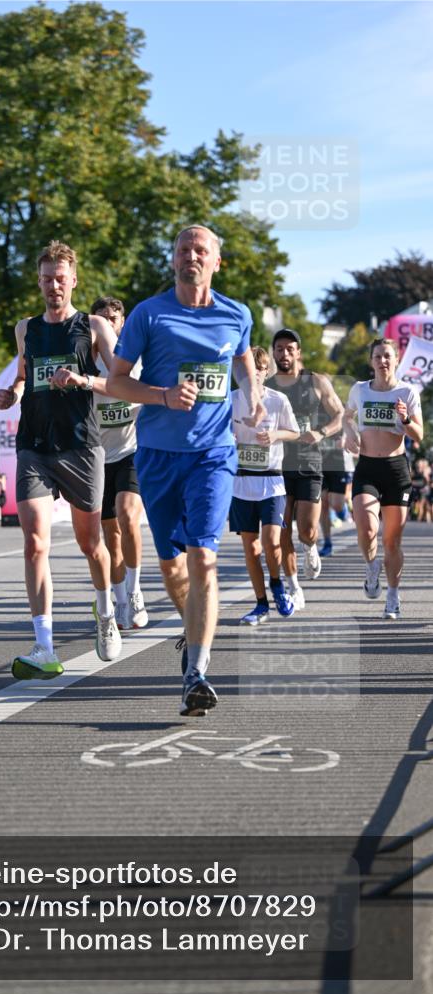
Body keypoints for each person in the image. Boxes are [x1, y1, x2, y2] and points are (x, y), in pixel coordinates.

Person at [108, 225, 264, 717]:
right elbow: (115, 382)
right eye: (183, 250)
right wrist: (163, 397)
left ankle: (197, 671)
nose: (190, 256)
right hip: (156, 455)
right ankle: (192, 632)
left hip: (214, 454)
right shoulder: (148, 314)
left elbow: (243, 364)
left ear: (217, 261)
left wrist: (255, 397)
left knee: (203, 558)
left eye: (201, 250)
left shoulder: (236, 314)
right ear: (173, 260)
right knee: (174, 569)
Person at [0, 240, 122, 680]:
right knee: (34, 544)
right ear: (39, 281)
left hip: (83, 446)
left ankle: (105, 612)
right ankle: (43, 646)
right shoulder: (25, 328)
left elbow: (122, 383)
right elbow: (27, 375)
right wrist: (10, 392)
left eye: (60, 279)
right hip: (34, 447)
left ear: (74, 280)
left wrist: (84, 379)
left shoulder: (95, 327)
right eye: (46, 279)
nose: (53, 287)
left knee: (91, 545)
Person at [343, 338, 423, 618]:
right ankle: (371, 564)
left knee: (392, 541)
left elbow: (418, 435)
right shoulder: (360, 390)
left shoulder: (407, 391)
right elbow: (346, 416)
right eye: (377, 356)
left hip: (396, 470)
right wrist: (349, 432)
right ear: (371, 360)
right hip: (367, 467)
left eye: (387, 356)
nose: (383, 361)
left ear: (396, 359)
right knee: (365, 529)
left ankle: (392, 595)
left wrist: (405, 420)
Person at [265, 328, 343, 609]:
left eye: (290, 348)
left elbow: (339, 415)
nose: (284, 353)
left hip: (309, 463)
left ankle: (311, 547)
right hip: (276, 467)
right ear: (274, 352)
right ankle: (294, 587)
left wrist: (321, 433)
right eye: (279, 348)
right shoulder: (268, 386)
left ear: (298, 352)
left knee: (307, 530)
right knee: (282, 531)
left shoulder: (316, 381)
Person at [90, 295, 148, 630]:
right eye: (101, 318)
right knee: (110, 536)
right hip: (97, 457)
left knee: (128, 517)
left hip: (131, 451)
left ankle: (136, 590)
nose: (108, 323)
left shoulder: (133, 363)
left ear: (122, 322)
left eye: (114, 317)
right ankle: (121, 600)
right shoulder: (85, 361)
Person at [229, 346, 299, 625]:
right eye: (245, 371)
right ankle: (260, 604)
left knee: (272, 542)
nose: (251, 376)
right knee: (251, 547)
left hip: (271, 481)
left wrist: (274, 434)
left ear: (264, 372)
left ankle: (277, 584)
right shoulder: (230, 399)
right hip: (241, 481)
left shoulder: (277, 400)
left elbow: (294, 432)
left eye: (256, 371)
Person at [319, 423, 354, 557]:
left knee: (337, 504)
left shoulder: (341, 414)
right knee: (323, 504)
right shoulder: (313, 411)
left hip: (339, 465)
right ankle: (327, 543)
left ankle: (342, 510)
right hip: (320, 464)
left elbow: (354, 434)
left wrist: (346, 440)